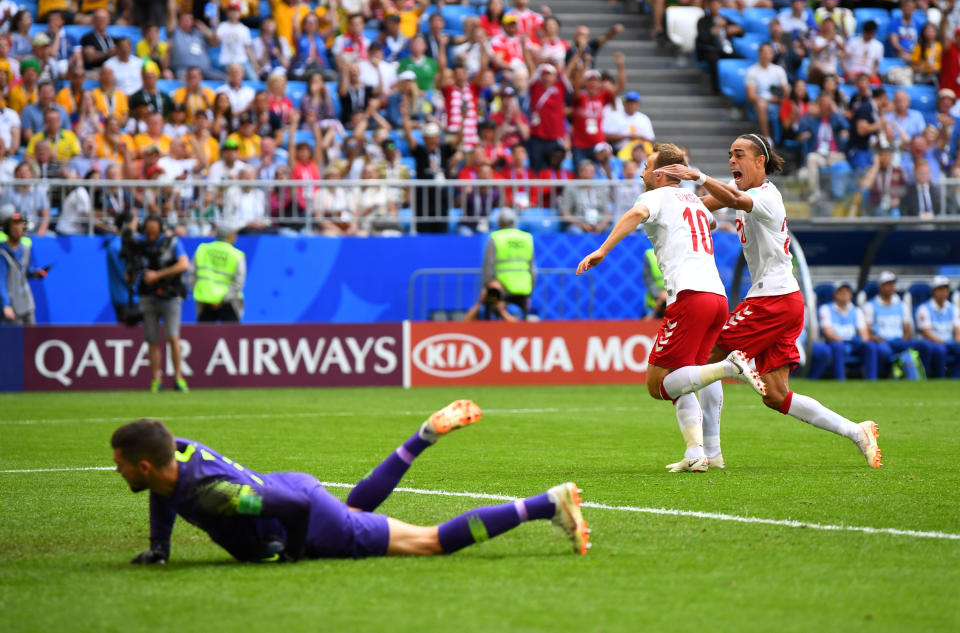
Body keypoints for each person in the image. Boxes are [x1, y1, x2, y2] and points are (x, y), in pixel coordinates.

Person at [111, 404, 590, 564]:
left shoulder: (211, 493)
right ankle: (420, 438)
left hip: (302, 512)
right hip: (291, 485)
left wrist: (293, 552)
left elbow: (293, 511)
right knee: (351, 510)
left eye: (121, 464)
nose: (118, 471)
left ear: (146, 465)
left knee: (429, 543)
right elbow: (164, 492)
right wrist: (159, 546)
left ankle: (546, 504)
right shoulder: (176, 451)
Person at [658, 135, 882, 469]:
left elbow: (730, 197)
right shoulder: (745, 193)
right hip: (786, 301)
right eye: (729, 155)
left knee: (703, 359)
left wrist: (699, 176)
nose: (732, 161)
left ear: (760, 160)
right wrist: (661, 207)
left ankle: (710, 454)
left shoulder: (767, 196)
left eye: (739, 154)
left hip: (771, 300)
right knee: (776, 395)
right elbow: (701, 205)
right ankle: (856, 431)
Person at [576, 143, 766, 473]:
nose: (642, 173)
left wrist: (602, 250)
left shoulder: (655, 196)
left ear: (661, 175)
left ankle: (731, 367)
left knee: (657, 383)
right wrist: (742, 184)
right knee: (687, 378)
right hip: (717, 298)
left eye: (647, 168)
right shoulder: (692, 201)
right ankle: (702, 451)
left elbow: (636, 213)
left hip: (690, 296)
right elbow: (710, 204)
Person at [133, 214, 190, 393]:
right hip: (147, 296)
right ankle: (156, 379)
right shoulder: (139, 245)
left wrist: (158, 275)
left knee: (173, 338)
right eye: (149, 231)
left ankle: (178, 377)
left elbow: (184, 264)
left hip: (170, 296)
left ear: (161, 229)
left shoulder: (172, 243)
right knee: (152, 340)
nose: (151, 235)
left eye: (154, 231)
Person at [863, 270, 931, 376]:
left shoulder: (901, 305)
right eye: (887, 284)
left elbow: (907, 330)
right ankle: (886, 374)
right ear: (880, 286)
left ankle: (925, 375)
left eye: (892, 284)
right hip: (882, 341)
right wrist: (876, 339)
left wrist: (903, 342)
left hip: (899, 341)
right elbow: (867, 330)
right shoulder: (870, 306)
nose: (891, 287)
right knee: (883, 351)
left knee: (924, 345)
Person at [481, 208, 535, 316]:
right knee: (521, 324)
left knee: (490, 319)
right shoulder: (527, 238)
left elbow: (488, 267)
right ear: (514, 222)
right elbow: (532, 269)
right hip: (523, 290)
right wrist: (530, 291)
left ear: (499, 222)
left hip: (498, 290)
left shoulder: (495, 238)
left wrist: (485, 287)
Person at [190, 221, 245, 322]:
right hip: (229, 302)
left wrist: (199, 292)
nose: (236, 236)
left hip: (204, 301)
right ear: (230, 235)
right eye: (235, 233)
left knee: (204, 337)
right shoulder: (237, 255)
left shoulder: (202, 249)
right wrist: (222, 299)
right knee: (232, 337)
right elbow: (239, 282)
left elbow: (191, 275)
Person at [0, 205, 46, 325]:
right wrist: (6, 305)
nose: (19, 229)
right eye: (15, 226)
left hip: (27, 303)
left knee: (32, 341)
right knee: (16, 342)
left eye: (21, 226)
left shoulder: (25, 249)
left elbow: (26, 271)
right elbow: (1, 281)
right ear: (7, 229)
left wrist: (35, 273)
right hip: (13, 306)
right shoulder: (2, 254)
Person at [915, 276, 960, 378]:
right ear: (933, 291)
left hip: (949, 343)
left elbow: (958, 332)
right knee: (940, 350)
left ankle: (956, 379)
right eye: (940, 289)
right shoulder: (924, 308)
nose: (943, 292)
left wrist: (957, 343)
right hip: (933, 343)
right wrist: (943, 343)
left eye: (945, 289)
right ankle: (940, 378)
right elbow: (927, 333)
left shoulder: (953, 308)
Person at [105, 210, 141, 325]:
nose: (137, 225)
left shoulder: (122, 244)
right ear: (127, 224)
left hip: (129, 297)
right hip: (125, 299)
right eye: (134, 222)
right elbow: (126, 275)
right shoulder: (116, 246)